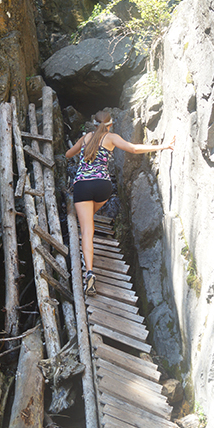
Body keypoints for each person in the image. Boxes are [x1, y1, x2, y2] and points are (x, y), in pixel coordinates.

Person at [65, 111, 175, 296]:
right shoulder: (112, 137)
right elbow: (133, 148)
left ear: (93, 124)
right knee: (90, 216)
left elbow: (68, 154)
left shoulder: (86, 137)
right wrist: (163, 146)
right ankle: (88, 224)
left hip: (82, 186)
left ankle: (90, 272)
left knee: (86, 230)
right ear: (110, 124)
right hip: (103, 186)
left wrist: (82, 151)